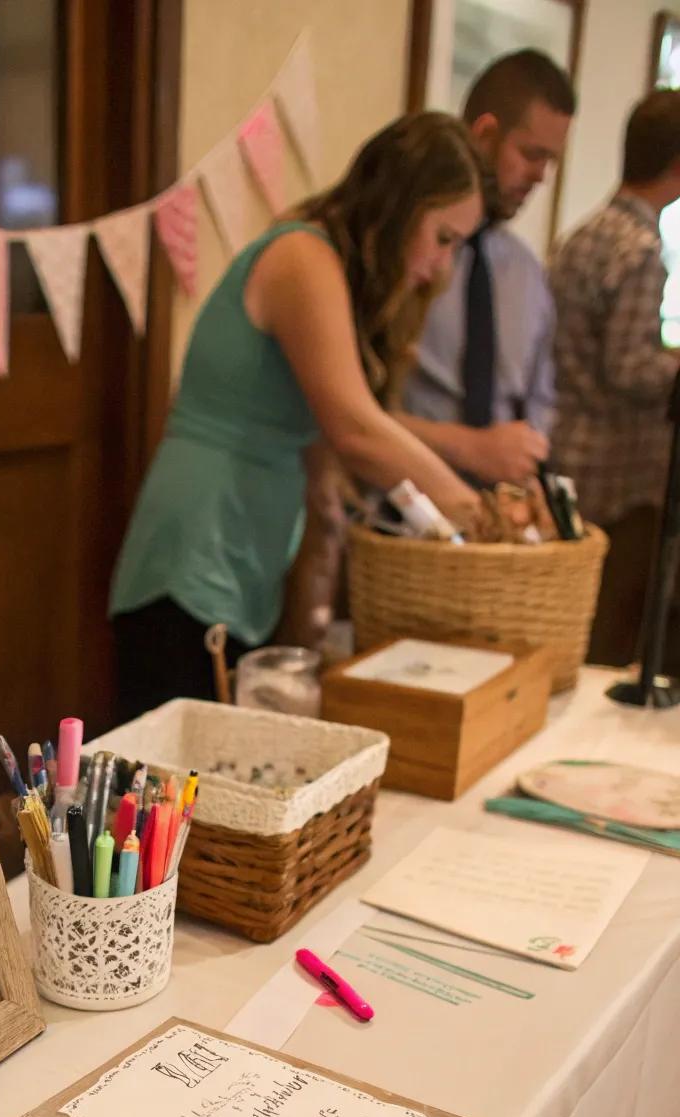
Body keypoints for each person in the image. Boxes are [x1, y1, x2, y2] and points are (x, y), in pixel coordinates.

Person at [109, 112, 484, 720]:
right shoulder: (302, 257)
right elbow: (356, 429)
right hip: (197, 553)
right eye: (443, 237)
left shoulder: (325, 265)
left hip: (242, 556)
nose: (443, 265)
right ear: (399, 206)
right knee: (173, 769)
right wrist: (470, 507)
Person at [399, 50, 575, 485]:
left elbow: (539, 404)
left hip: (494, 512)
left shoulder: (528, 274)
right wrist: (470, 449)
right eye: (531, 154)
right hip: (399, 499)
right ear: (485, 135)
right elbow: (352, 410)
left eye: (550, 161)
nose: (541, 176)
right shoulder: (404, 253)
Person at [550, 91, 680, 667]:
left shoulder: (584, 233)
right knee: (608, 633)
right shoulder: (642, 249)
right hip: (619, 474)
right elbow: (628, 368)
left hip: (569, 450)